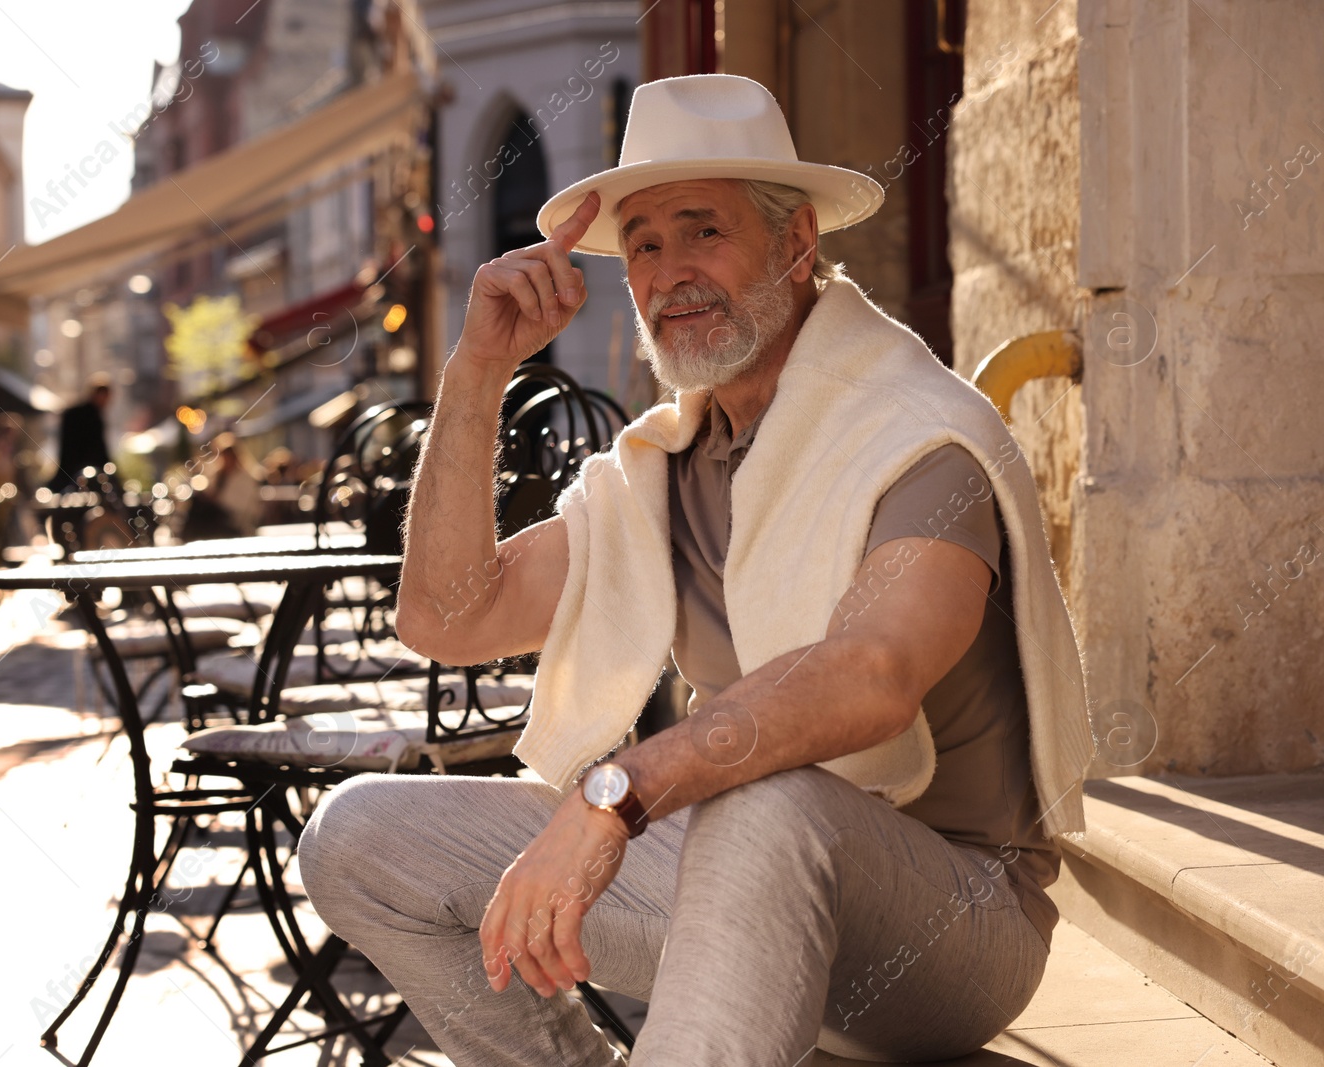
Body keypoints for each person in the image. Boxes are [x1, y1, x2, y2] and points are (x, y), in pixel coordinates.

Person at [298, 74, 1092, 1065]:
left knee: (766, 799)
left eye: (701, 230)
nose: (670, 273)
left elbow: (874, 672)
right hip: (732, 869)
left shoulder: (915, 434)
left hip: (949, 925)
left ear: (796, 242)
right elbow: (446, 616)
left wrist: (614, 794)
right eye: (643, 244)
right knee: (357, 835)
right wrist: (477, 368)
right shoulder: (662, 467)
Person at [50, 373, 113, 491]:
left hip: (69, 474)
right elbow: (98, 450)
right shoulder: (92, 417)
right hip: (82, 475)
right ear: (99, 395)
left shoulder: (73, 413)